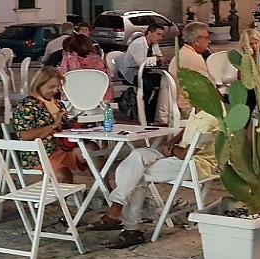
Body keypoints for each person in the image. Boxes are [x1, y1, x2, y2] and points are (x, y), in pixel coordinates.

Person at [85, 101, 219, 248]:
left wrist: (172, 149)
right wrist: (172, 142)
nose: (183, 93)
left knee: (134, 173)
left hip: (195, 165)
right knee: (136, 156)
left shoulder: (211, 117)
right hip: (178, 158)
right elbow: (187, 131)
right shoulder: (199, 109)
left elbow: (186, 153)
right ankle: (120, 212)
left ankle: (126, 222)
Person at [11, 67, 94, 183]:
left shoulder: (58, 103)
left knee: (92, 150)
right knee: (63, 174)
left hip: (62, 148)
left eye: (58, 87)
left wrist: (73, 125)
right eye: (51, 87)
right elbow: (24, 135)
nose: (55, 90)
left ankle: (106, 190)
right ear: (39, 85)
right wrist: (53, 126)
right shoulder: (27, 105)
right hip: (40, 153)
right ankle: (63, 200)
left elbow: (63, 126)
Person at [168, 22, 214, 116]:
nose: (209, 42)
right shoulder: (193, 57)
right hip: (189, 108)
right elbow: (209, 88)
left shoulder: (183, 52)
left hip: (178, 104)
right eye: (207, 38)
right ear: (197, 40)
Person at [58, 34, 113, 103]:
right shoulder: (97, 59)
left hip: (73, 98)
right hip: (98, 98)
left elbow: (61, 77)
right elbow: (107, 78)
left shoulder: (68, 59)